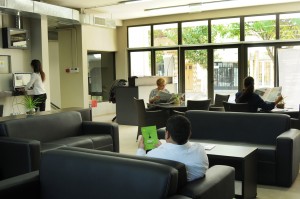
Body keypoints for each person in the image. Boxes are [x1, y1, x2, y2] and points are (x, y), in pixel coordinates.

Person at [136, 115, 209, 182]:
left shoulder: (155, 155)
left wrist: (140, 149)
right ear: (189, 133)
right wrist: (162, 147)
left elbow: (139, 167)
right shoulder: (200, 150)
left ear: (167, 134)